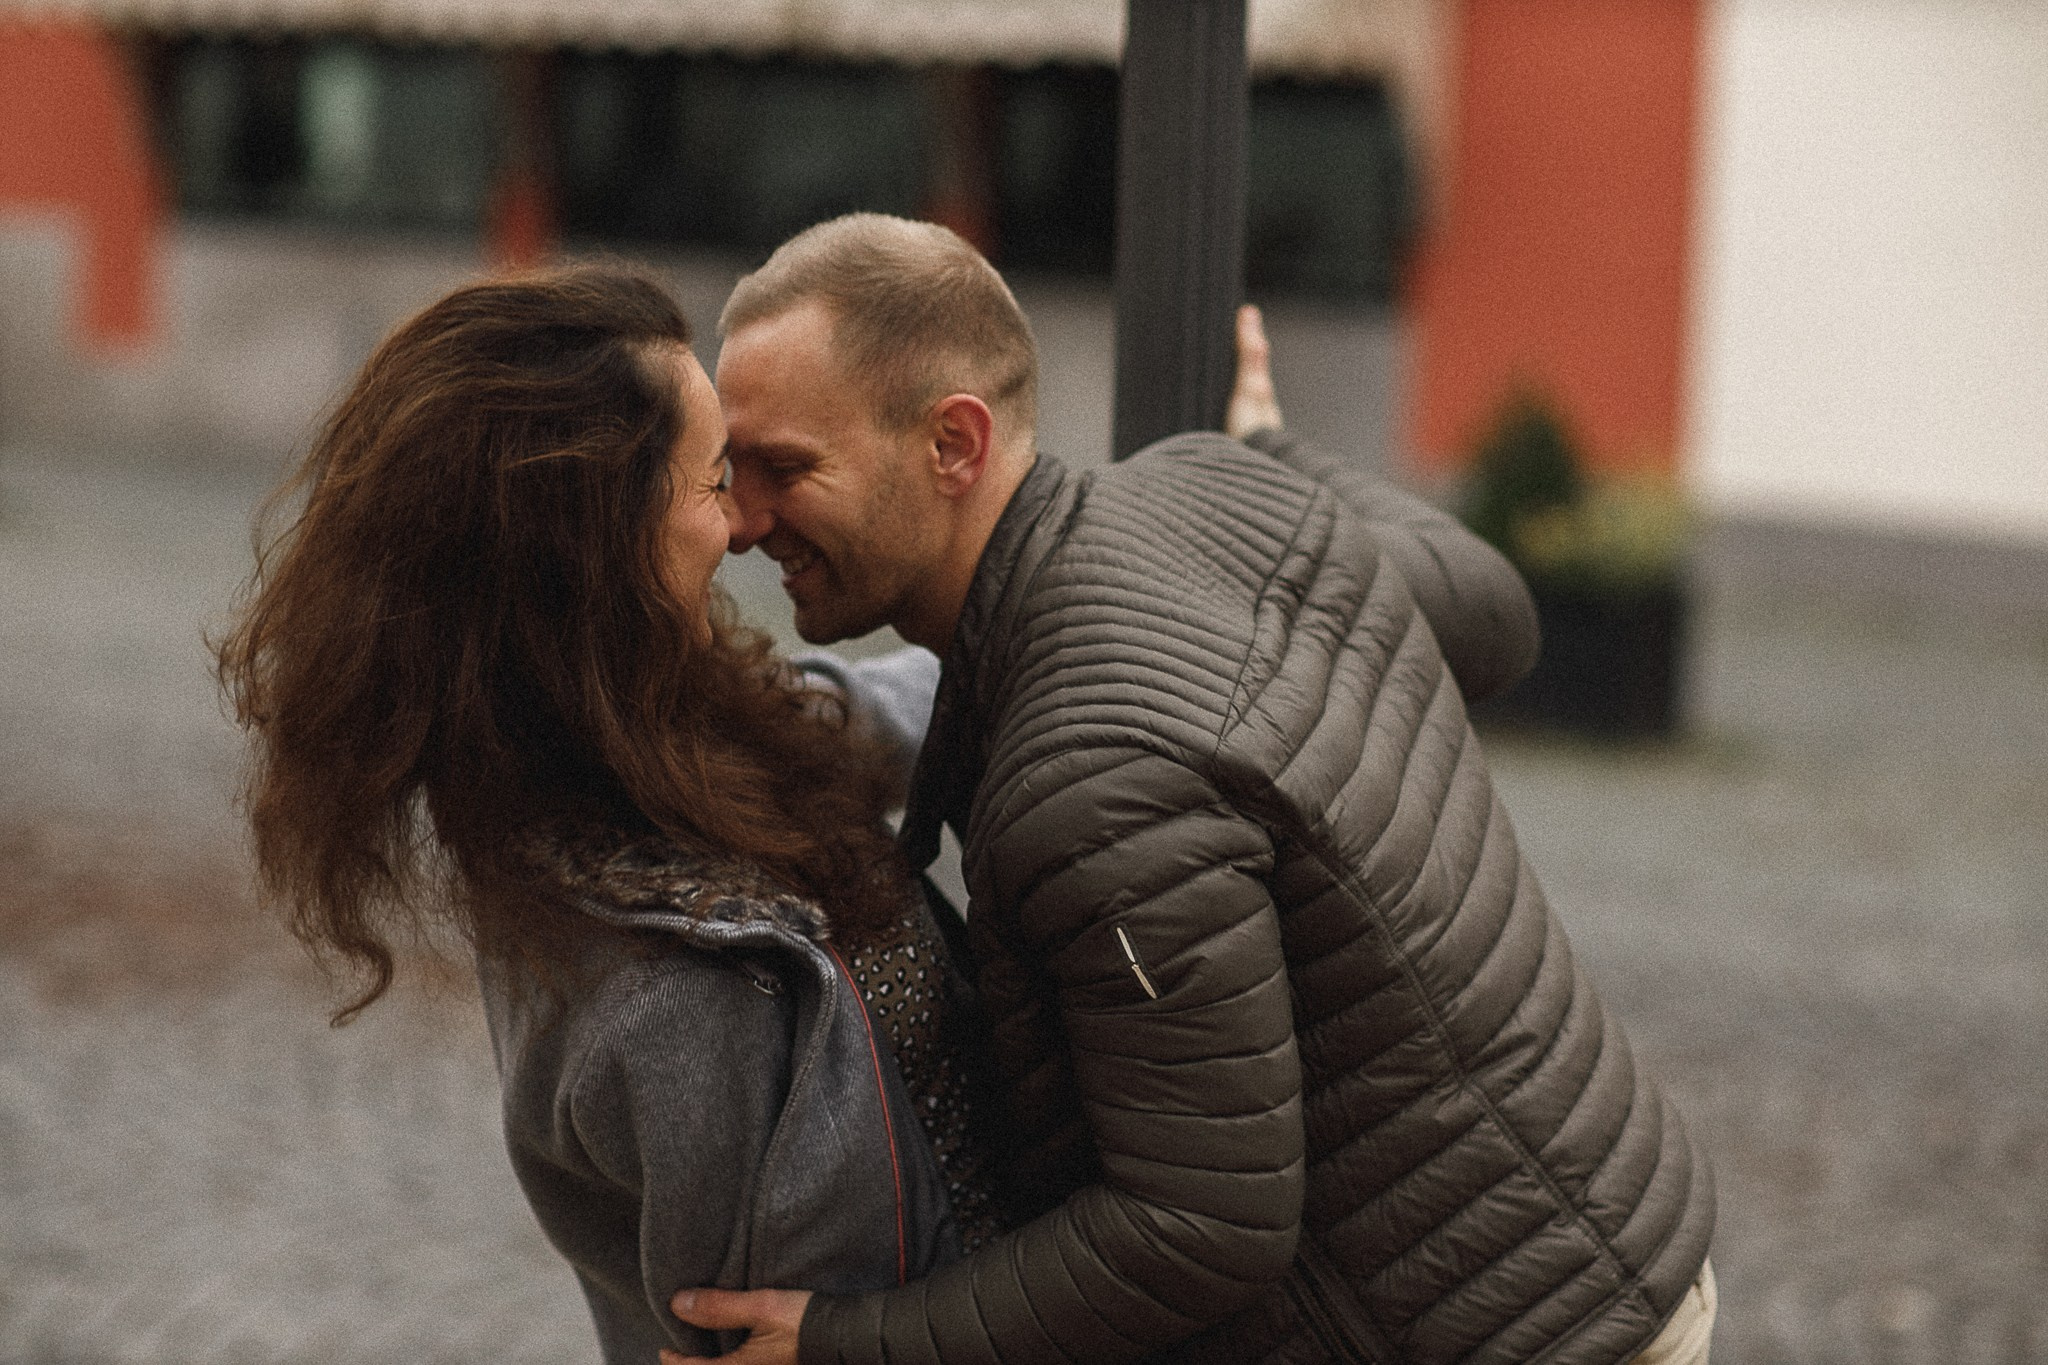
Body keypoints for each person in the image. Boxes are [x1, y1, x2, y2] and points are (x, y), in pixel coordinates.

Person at [663, 214, 1717, 1365]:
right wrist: (1276, 457)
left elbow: (1202, 1226)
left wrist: (849, 1344)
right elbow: (1492, 611)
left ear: (953, 445)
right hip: (1604, 1241)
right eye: (733, 470)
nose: (747, 522)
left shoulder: (1093, 788)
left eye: (787, 469)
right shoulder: (1214, 485)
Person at [213, 265, 990, 1364]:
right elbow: (771, 1330)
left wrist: (1061, 596)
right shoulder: (679, 990)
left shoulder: (631, 730)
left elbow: (878, 713)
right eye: (711, 482)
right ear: (592, 546)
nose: (741, 527)